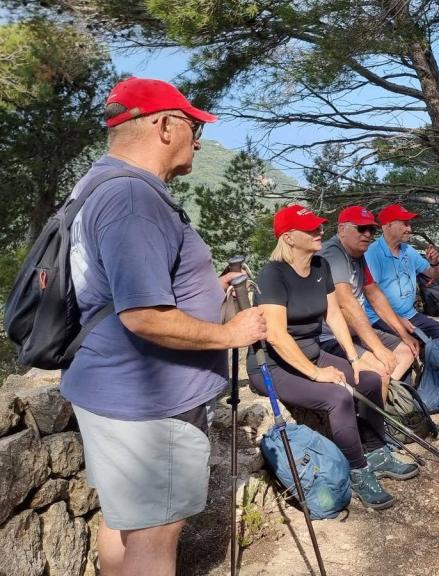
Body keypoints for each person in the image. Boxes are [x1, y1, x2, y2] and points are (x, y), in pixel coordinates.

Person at [61, 77, 267, 576]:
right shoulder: (134, 197)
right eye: (195, 128)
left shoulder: (100, 184)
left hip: (111, 390)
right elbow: (143, 315)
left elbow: (126, 288)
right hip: (151, 405)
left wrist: (207, 288)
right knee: (155, 538)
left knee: (126, 523)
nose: (198, 141)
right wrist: (231, 334)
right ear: (166, 125)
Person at [250, 204, 418, 511]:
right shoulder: (272, 274)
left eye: (319, 226)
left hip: (313, 354)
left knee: (368, 379)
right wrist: (316, 373)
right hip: (274, 366)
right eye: (310, 229)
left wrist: (354, 358)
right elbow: (275, 335)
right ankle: (357, 471)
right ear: (288, 237)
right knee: (338, 396)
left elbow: (334, 314)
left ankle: (376, 452)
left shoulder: (319, 266)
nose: (319, 231)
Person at [318, 205, 418, 394]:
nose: (367, 234)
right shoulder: (333, 253)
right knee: (380, 372)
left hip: (355, 330)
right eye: (361, 228)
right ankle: (377, 407)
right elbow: (346, 303)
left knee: (405, 352)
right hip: (332, 337)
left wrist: (403, 334)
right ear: (342, 229)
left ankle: (388, 397)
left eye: (371, 229)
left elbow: (374, 294)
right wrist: (378, 348)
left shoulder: (357, 254)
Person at [364, 203, 439, 348]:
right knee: (409, 347)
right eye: (405, 224)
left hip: (410, 315)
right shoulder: (372, 254)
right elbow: (372, 297)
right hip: (381, 318)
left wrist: (434, 263)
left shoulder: (408, 250)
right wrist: (397, 321)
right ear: (388, 225)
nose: (409, 229)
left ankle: (430, 363)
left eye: (409, 224)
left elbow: (433, 275)